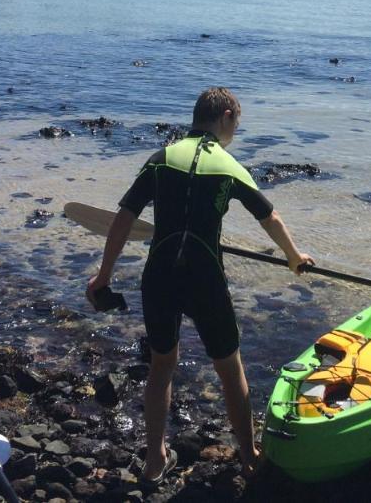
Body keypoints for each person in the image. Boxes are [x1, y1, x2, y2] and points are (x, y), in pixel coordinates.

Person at [86, 87, 315, 483]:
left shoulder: (161, 159)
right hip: (204, 279)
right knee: (230, 368)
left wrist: (103, 276)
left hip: (159, 276)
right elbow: (270, 218)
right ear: (225, 116)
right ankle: (248, 454)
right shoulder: (228, 166)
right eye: (236, 125)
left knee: (162, 366)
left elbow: (122, 219)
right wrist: (294, 257)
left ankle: (155, 459)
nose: (235, 132)